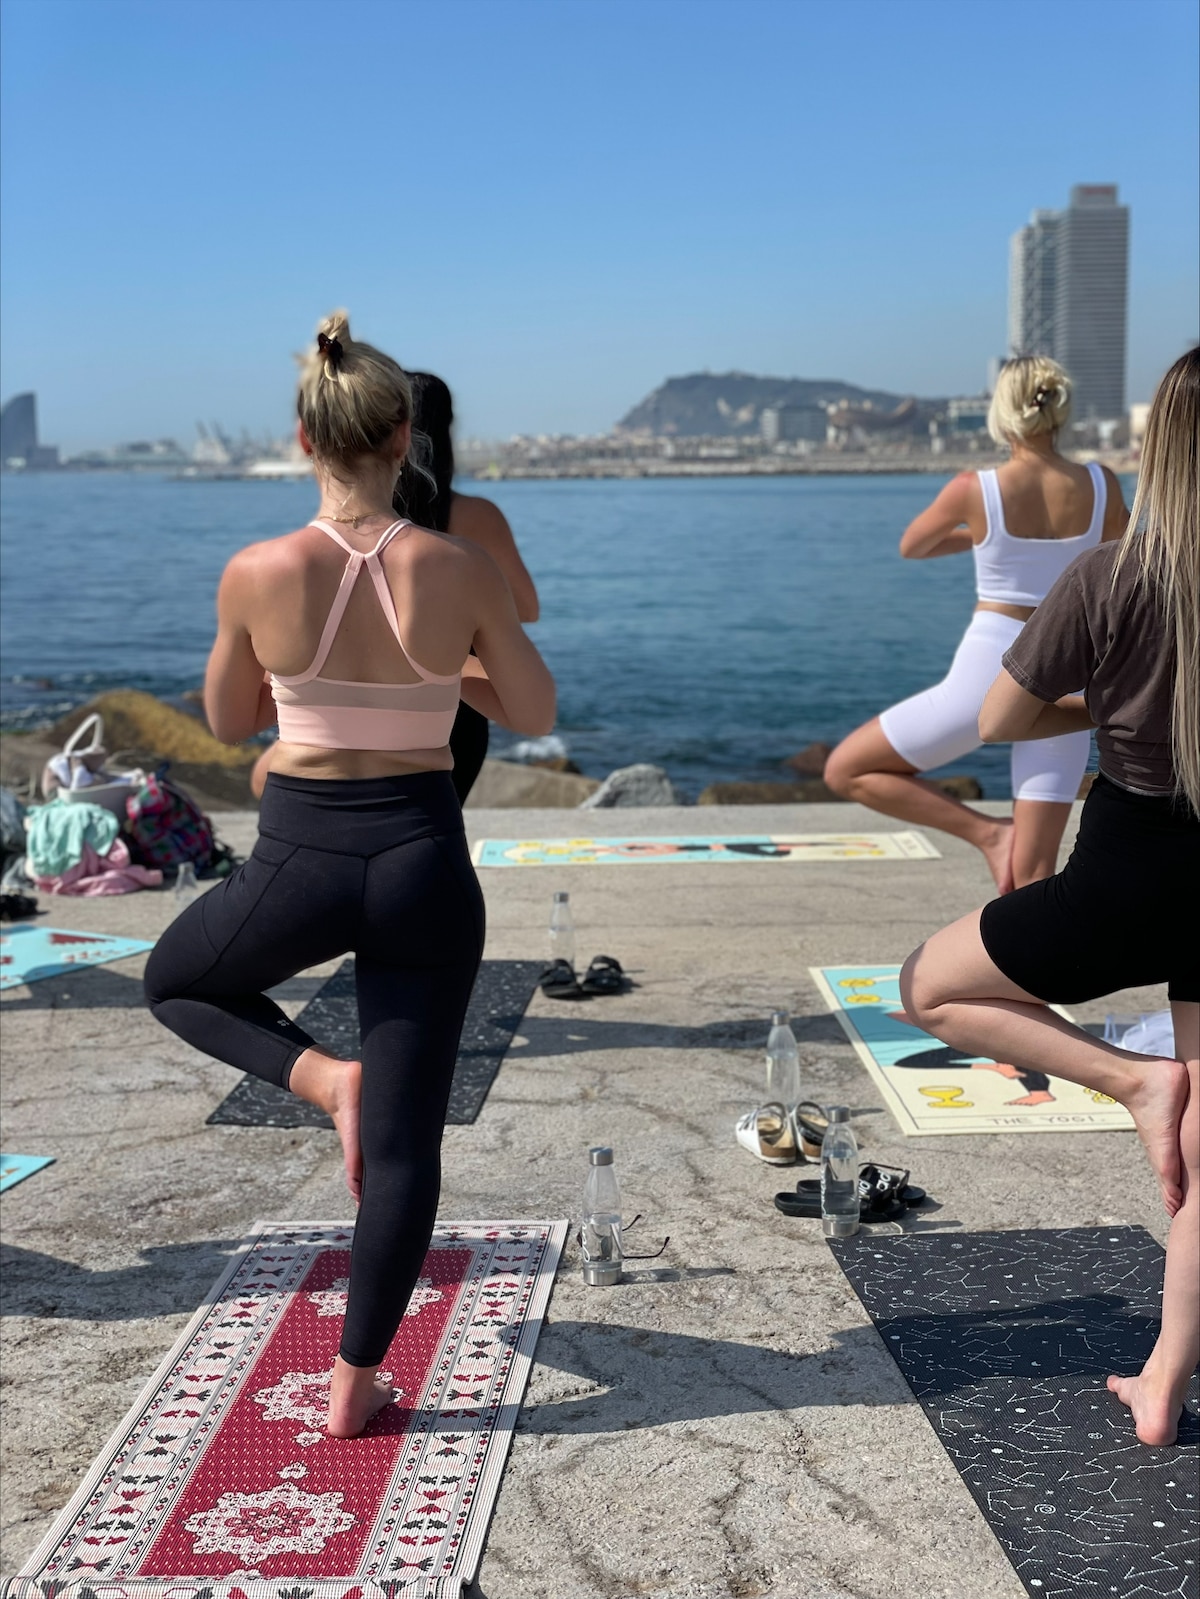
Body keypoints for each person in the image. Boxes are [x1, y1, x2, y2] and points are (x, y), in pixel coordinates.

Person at [145, 311, 555, 1439]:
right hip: (424, 852)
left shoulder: (257, 569)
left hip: (303, 853)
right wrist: (445, 664)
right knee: (409, 1144)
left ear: (300, 438)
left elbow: (230, 720)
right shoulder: (457, 563)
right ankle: (355, 1383)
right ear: (403, 435)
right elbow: (534, 711)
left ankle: (324, 1081)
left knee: (176, 983)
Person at [899, 347, 1200, 1446]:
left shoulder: (1110, 576)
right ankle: (1165, 1381)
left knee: (926, 984)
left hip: (1129, 871)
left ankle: (1131, 1080)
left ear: (1156, 451)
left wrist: (1113, 708)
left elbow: (998, 722)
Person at [824, 357, 1127, 892]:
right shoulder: (1100, 483)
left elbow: (913, 546)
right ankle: (1025, 965)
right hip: (1067, 669)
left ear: (1001, 412)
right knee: (1034, 879)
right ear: (1060, 410)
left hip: (988, 674)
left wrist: (984, 536)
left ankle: (987, 835)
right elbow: (1124, 565)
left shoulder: (974, 489)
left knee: (846, 769)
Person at [397, 373, 540, 803]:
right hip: (460, 700)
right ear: (447, 428)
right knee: (439, 835)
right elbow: (526, 607)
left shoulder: (361, 519)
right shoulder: (477, 516)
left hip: (373, 694)